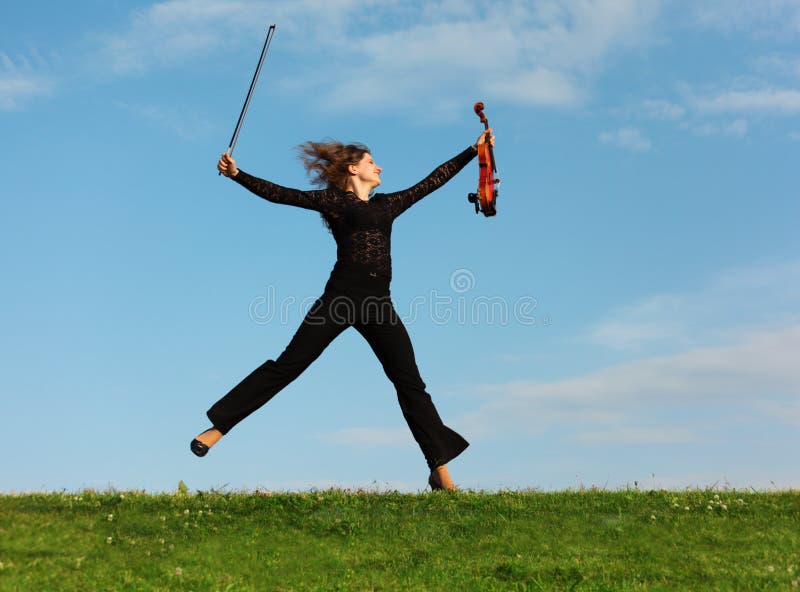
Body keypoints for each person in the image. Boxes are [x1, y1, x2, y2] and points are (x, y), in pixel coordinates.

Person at [191, 128, 495, 491]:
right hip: (339, 298)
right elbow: (282, 195)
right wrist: (238, 175)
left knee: (410, 383)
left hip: (379, 304)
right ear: (353, 169)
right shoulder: (334, 202)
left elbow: (433, 180)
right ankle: (218, 427)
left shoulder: (387, 204)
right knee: (288, 365)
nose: (379, 166)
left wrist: (472, 150)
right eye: (371, 162)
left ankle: (439, 468)